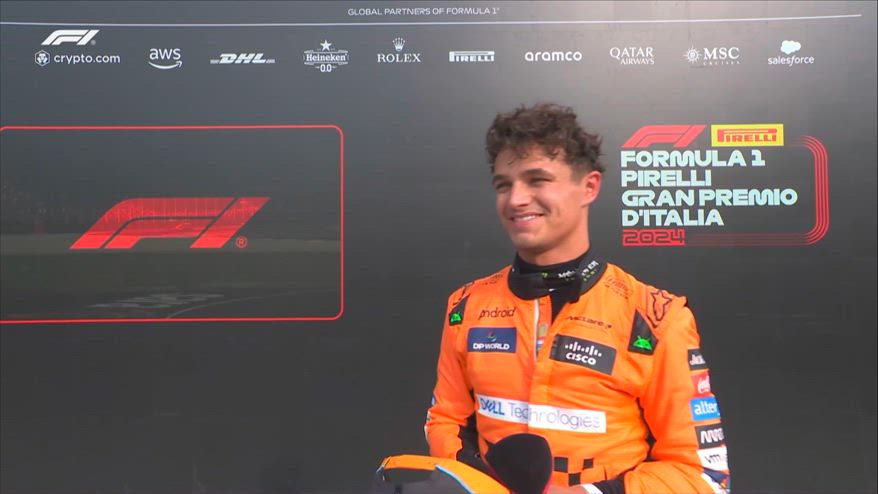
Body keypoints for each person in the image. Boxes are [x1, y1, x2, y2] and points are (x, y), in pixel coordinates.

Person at [424, 103, 730, 494]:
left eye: (537, 180)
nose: (516, 199)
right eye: (503, 185)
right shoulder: (466, 306)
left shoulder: (656, 317)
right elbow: (446, 422)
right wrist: (483, 484)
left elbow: (702, 477)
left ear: (589, 187)